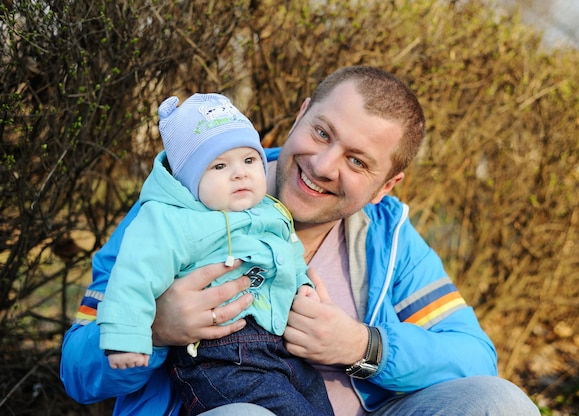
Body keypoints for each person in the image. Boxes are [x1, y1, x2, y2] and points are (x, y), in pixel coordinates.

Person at [61, 66, 540, 415]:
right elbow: (77, 370)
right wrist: (156, 328)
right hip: (222, 404)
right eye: (322, 133)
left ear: (386, 185)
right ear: (301, 114)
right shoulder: (184, 202)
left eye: (358, 162)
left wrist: (361, 345)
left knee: (498, 404)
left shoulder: (388, 237)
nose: (324, 165)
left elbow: (475, 357)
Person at [95, 93, 333, 416]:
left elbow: (289, 255)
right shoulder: (172, 220)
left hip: (280, 350)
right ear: (190, 181)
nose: (240, 173)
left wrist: (303, 286)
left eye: (249, 161)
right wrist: (129, 336)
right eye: (220, 165)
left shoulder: (271, 212)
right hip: (219, 358)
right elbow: (134, 274)